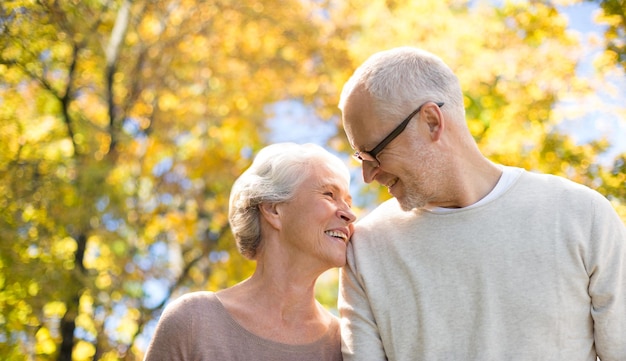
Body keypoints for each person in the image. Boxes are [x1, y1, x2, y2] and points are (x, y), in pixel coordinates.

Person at [337, 46, 626, 361]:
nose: (367, 175)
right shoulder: (366, 249)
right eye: (359, 157)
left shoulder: (582, 216)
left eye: (373, 152)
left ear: (432, 122)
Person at [144, 142, 356, 361]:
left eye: (349, 203)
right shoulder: (193, 321)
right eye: (329, 194)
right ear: (273, 209)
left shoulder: (346, 345)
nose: (350, 215)